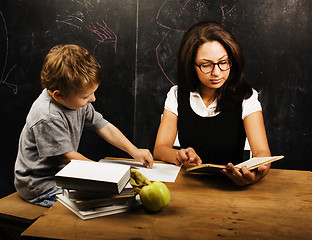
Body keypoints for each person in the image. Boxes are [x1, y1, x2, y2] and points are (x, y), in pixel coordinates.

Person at [14, 44, 153, 207]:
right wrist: (108, 173)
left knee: (115, 198)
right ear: (58, 95)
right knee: (101, 203)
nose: (93, 99)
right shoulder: (47, 115)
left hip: (63, 176)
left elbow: (104, 126)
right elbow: (68, 156)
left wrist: (134, 151)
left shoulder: (76, 101)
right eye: (87, 95)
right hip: (41, 185)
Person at [153, 22, 271, 186]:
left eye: (223, 62)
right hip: (189, 185)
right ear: (192, 65)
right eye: (206, 65)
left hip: (232, 186)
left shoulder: (246, 96)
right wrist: (179, 154)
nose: (216, 72)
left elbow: (262, 153)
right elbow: (160, 148)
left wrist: (253, 177)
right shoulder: (177, 95)